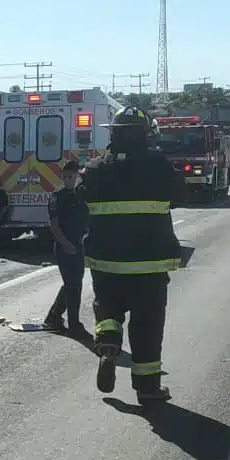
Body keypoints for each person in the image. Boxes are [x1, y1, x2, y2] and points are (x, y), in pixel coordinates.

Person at [83, 106, 185, 403]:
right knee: (147, 327)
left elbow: (80, 196)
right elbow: (179, 196)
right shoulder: (158, 164)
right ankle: (147, 388)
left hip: (105, 263)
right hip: (148, 265)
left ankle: (108, 344)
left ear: (113, 133)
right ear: (144, 134)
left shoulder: (94, 168)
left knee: (108, 310)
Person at [43, 159, 88, 335]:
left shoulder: (81, 195)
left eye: (72, 176)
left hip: (79, 243)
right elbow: (54, 224)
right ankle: (74, 324)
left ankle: (53, 317)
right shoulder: (58, 196)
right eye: (66, 177)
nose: (69, 180)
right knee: (73, 284)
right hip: (65, 246)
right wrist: (65, 243)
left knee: (72, 284)